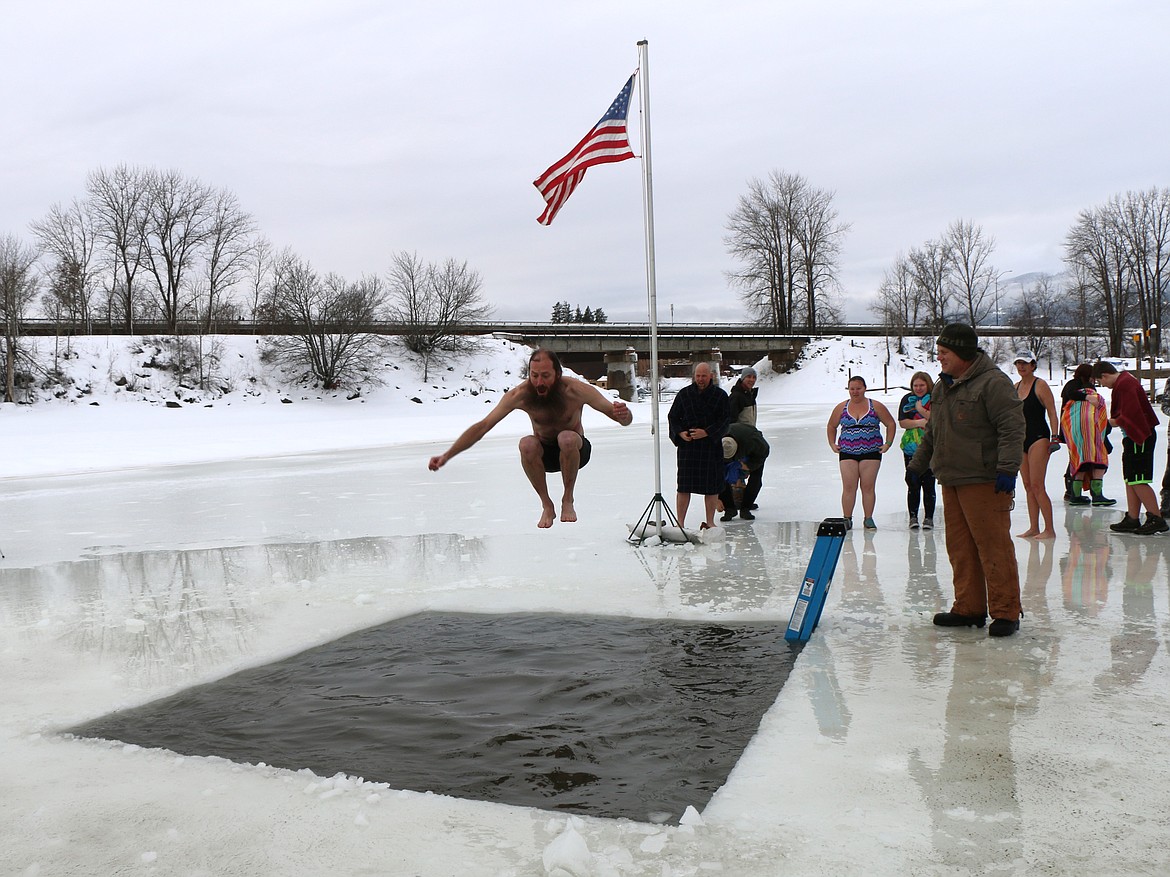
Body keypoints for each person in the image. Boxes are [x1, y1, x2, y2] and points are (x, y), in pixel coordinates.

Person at [428, 347, 632, 528]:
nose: (539, 382)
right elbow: (483, 427)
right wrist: (447, 455)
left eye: (545, 376)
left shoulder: (575, 390)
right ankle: (547, 505)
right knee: (526, 444)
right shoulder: (521, 394)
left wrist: (624, 415)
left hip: (576, 450)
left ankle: (567, 499)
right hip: (544, 456)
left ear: (558, 374)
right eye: (534, 376)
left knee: (566, 438)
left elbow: (622, 419)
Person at [908, 323, 1025, 637]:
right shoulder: (943, 385)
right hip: (952, 478)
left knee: (993, 547)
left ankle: (1005, 612)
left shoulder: (993, 383)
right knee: (960, 547)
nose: (940, 358)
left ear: (961, 352)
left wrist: (1007, 470)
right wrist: (917, 465)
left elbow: (1012, 429)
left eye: (944, 353)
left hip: (985, 479)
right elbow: (934, 431)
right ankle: (969, 608)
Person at [1092, 361, 1168, 535]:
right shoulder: (1124, 382)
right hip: (1133, 436)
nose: (1102, 385)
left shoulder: (1125, 385)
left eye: (1100, 381)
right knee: (1130, 478)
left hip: (1139, 437)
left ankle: (1156, 518)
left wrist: (1107, 422)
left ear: (1104, 375)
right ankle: (1133, 518)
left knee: (1138, 479)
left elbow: (1131, 416)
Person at [827, 375, 896, 530]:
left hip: (871, 452)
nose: (855, 392)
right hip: (847, 452)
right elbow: (832, 425)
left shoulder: (875, 406)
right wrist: (832, 443)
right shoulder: (841, 407)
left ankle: (868, 518)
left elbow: (890, 423)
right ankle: (847, 518)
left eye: (858, 388)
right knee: (849, 487)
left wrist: (888, 443)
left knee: (868, 486)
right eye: (852, 389)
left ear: (865, 388)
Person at [668, 362, 731, 530]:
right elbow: (673, 417)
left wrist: (707, 432)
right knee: (683, 486)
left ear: (711, 376)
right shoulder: (684, 394)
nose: (700, 379)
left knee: (711, 488)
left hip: (710, 448)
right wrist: (680, 433)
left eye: (703, 376)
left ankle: (710, 522)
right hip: (688, 448)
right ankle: (680, 523)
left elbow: (725, 422)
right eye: (697, 376)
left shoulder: (720, 396)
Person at [1013, 350, 1061, 539]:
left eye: (1025, 363)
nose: (1021, 367)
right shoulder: (1015, 387)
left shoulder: (1040, 385)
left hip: (1039, 437)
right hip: (1021, 438)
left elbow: (1052, 412)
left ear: (1033, 365)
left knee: (1037, 484)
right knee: (1027, 485)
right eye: (1018, 363)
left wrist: (1055, 437)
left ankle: (1049, 529)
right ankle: (1034, 527)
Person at [1058, 363, 1113, 506]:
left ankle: (1074, 493)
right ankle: (1094, 494)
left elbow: (1066, 407)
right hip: (1088, 430)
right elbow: (1094, 411)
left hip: (1073, 429)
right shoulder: (1083, 389)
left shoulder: (1071, 387)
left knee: (1078, 459)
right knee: (1096, 460)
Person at [898, 371, 936, 530]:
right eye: (915, 385)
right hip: (911, 447)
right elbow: (902, 422)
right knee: (912, 481)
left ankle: (928, 518)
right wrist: (920, 422)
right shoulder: (907, 400)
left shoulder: (935, 399)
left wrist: (920, 409)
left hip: (930, 446)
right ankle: (913, 516)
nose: (918, 388)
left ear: (928, 384)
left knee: (929, 483)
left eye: (922, 385)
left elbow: (935, 420)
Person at [718, 421, 770, 521]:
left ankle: (746, 508)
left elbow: (764, 451)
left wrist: (749, 466)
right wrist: (717, 498)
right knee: (720, 477)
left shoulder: (753, 440)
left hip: (753, 453)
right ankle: (729, 509)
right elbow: (712, 475)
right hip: (729, 450)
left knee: (756, 479)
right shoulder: (717, 440)